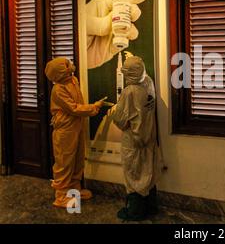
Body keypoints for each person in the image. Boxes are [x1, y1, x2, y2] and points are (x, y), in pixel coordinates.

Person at [45, 58, 105, 208]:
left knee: (77, 159)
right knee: (64, 162)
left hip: (76, 125)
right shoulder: (58, 90)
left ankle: (74, 190)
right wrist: (93, 107)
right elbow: (73, 108)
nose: (70, 64)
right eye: (66, 64)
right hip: (65, 129)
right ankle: (61, 196)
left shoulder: (73, 80)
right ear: (61, 71)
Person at [109, 56, 163, 221]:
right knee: (149, 174)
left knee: (134, 177)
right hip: (149, 137)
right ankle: (151, 207)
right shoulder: (149, 83)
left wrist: (113, 110)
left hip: (134, 141)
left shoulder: (129, 91)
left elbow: (120, 118)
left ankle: (135, 212)